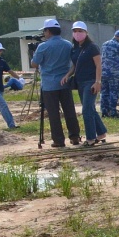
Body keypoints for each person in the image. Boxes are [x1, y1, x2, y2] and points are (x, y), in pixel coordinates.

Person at [30, 19, 82, 147]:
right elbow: (74, 62)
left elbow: (34, 63)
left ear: (48, 31)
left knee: (54, 114)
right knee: (69, 110)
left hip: (48, 85)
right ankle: (75, 136)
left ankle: (58, 140)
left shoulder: (43, 46)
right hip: (64, 83)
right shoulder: (67, 45)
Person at [61, 22, 107, 146]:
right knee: (90, 108)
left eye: (80, 31)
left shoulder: (92, 47)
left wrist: (98, 82)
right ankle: (101, 132)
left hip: (91, 82)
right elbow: (75, 65)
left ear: (86, 33)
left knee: (86, 110)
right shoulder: (75, 49)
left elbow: (98, 65)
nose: (77, 34)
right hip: (80, 82)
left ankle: (91, 138)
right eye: (75, 31)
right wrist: (67, 75)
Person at [0, 42, 23, 129]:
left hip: (0, 88)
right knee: (3, 105)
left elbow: (10, 71)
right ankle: (11, 125)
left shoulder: (2, 62)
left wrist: (20, 78)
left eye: (0, 50)